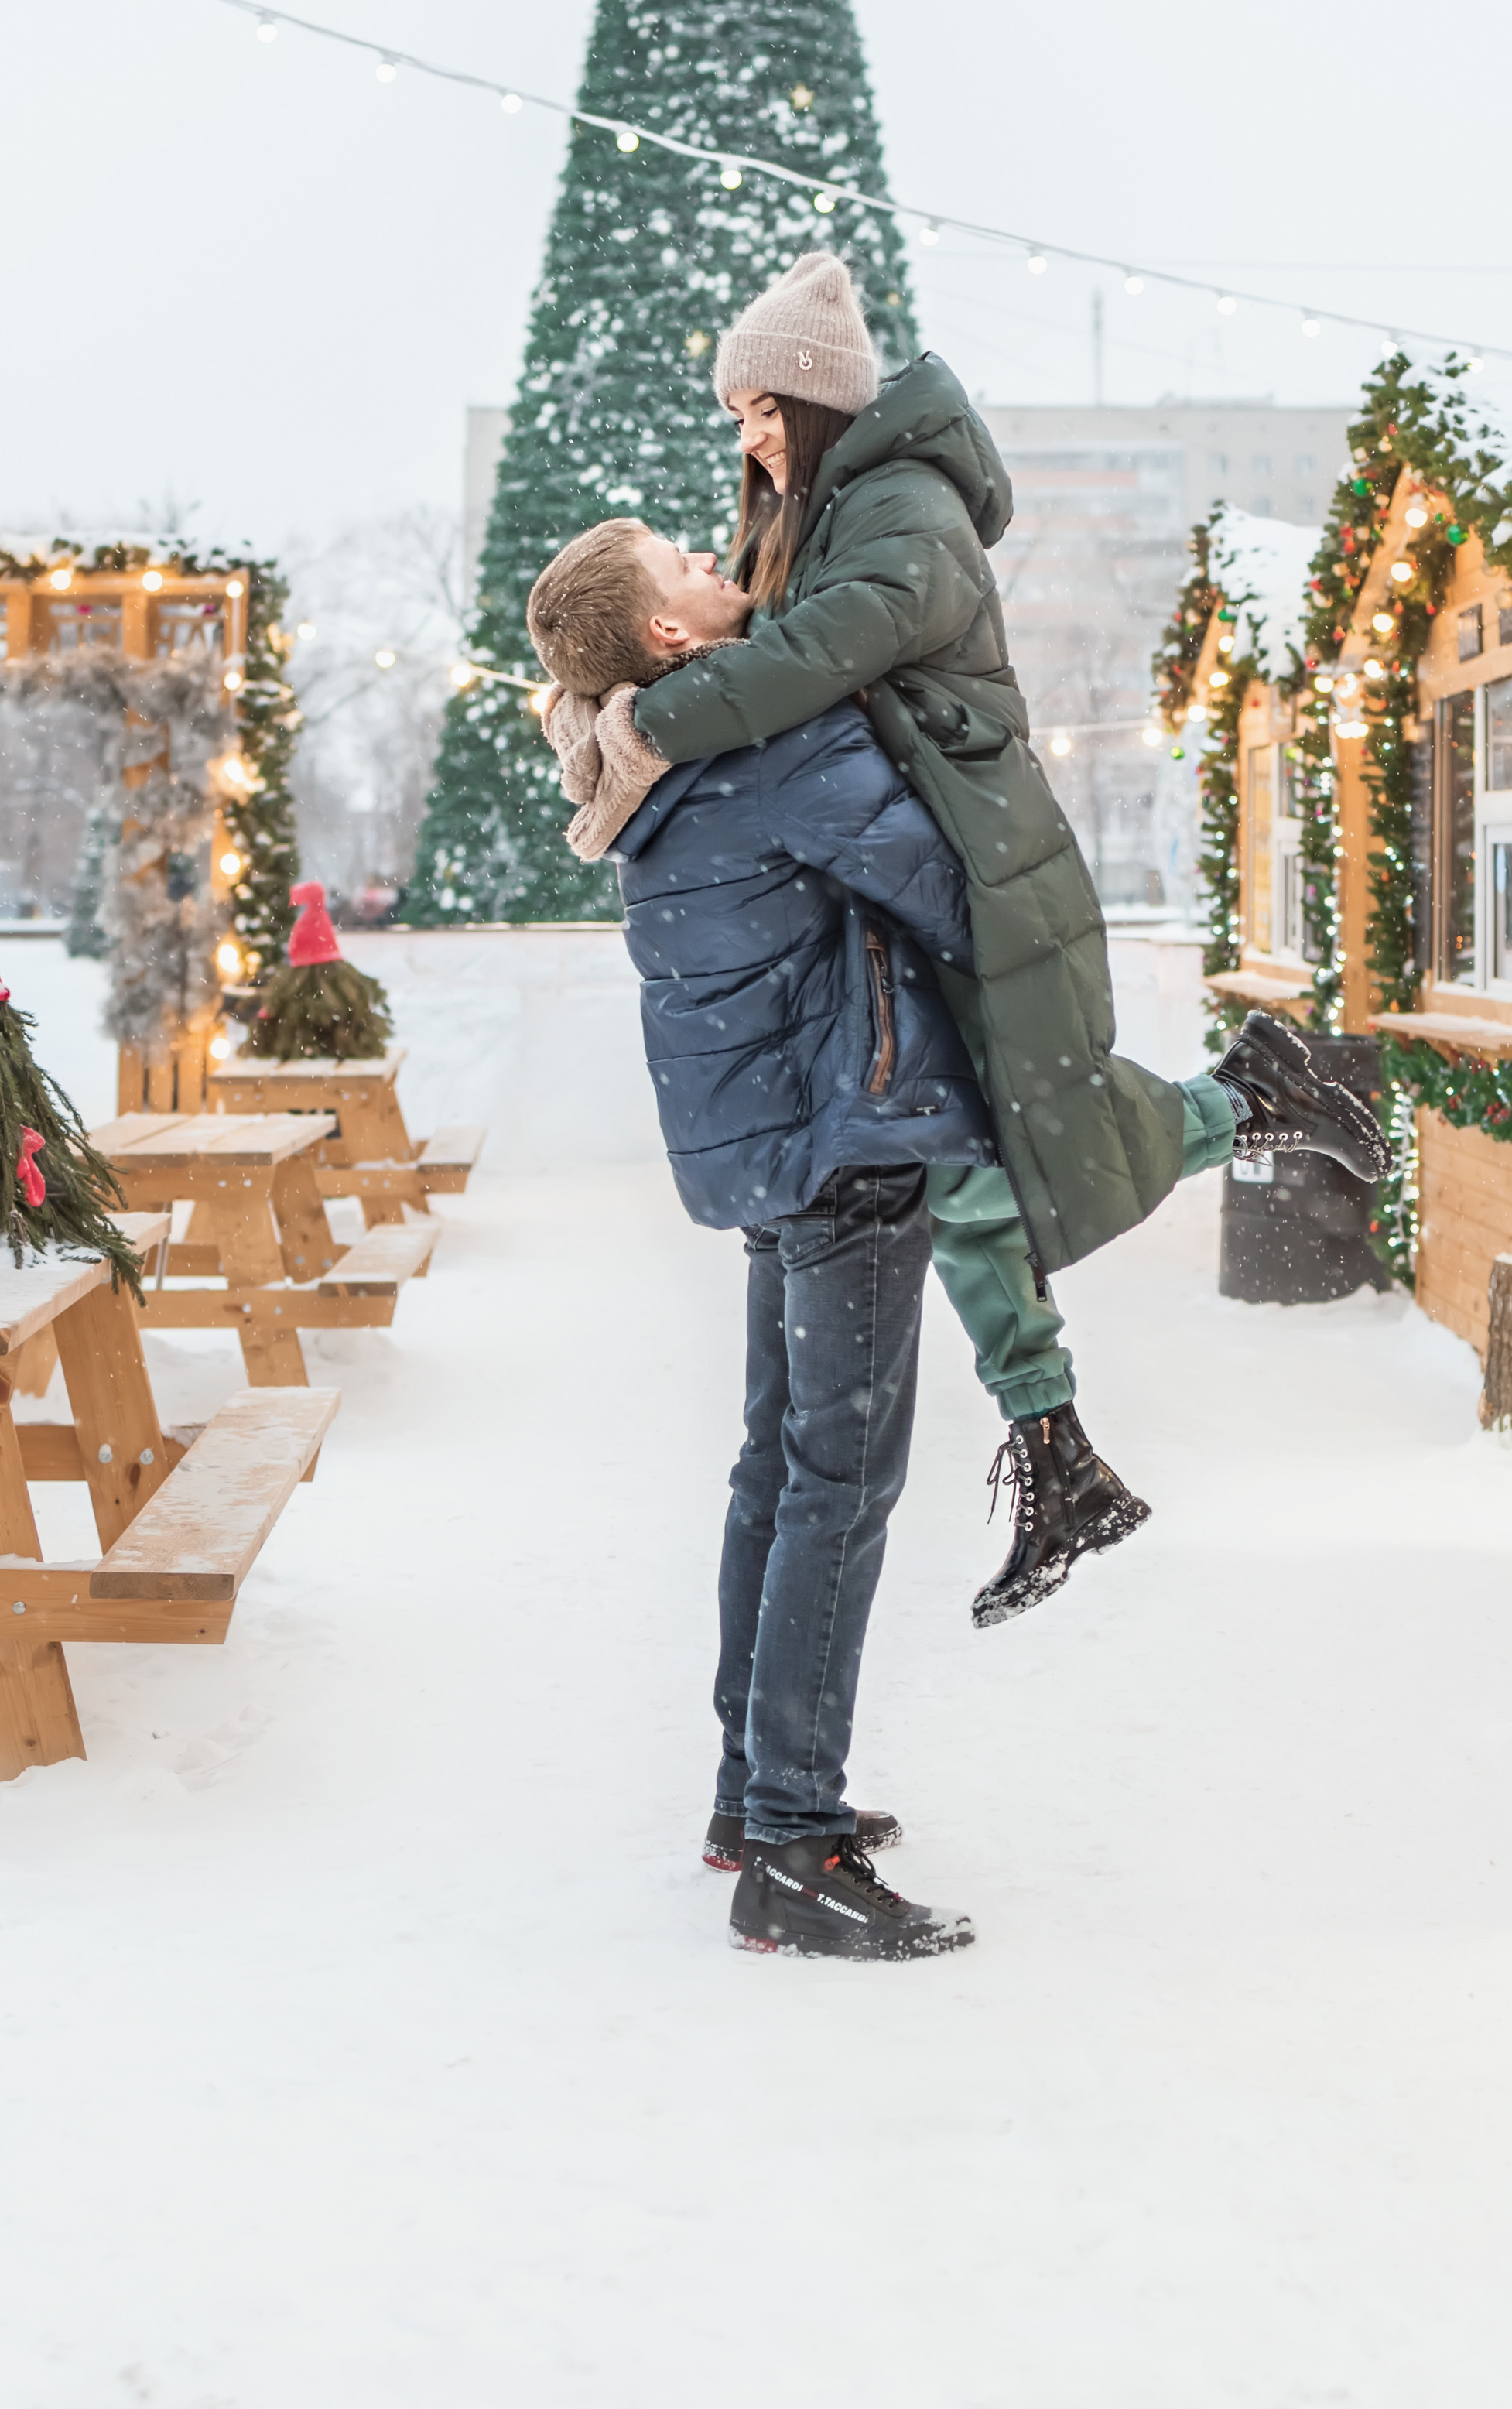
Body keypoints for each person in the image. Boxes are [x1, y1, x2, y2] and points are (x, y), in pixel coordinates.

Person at [525, 518, 1382, 1959]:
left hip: (773, 1154)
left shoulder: (652, 771)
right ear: (670, 637)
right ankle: (794, 1842)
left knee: (777, 1469)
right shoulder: (764, 743)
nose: (708, 555)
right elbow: (953, 880)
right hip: (853, 1145)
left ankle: (755, 1797)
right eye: (681, 560)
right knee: (836, 1491)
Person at [628, 254, 1388, 1626]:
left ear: (814, 394)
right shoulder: (806, 516)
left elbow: (811, 661)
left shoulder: (902, 511)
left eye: (757, 405)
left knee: (1032, 1133)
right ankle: (1061, 1457)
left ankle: (1253, 1095)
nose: (743, 435)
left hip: (973, 865)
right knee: (973, 1160)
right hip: (904, 873)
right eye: (734, 410)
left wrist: (635, 727)